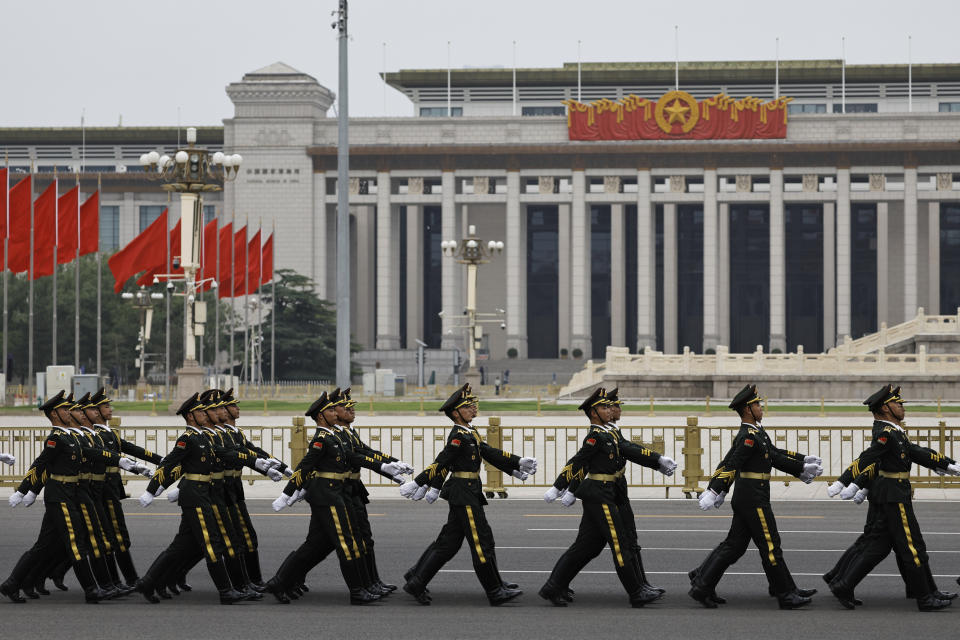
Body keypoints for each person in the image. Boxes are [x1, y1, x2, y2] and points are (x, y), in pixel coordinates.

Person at [399, 383, 537, 606]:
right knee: (481, 541)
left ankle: (416, 578)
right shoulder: (458, 437)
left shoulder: (469, 432)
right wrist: (418, 482)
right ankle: (494, 591)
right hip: (464, 493)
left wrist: (516, 465)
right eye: (469, 406)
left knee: (449, 543)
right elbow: (441, 462)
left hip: (467, 492)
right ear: (456, 412)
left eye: (474, 405)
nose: (474, 409)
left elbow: (489, 453)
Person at [826, 385, 959, 611]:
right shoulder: (886, 433)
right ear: (885, 408)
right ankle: (925, 597)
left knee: (882, 544)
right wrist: (844, 480)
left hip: (892, 492)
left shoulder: (894, 430)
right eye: (897, 403)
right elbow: (867, 458)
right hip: (893, 495)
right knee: (910, 546)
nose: (901, 407)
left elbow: (916, 452)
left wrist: (947, 464)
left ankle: (843, 583)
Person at [688, 384, 822, 609]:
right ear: (748, 410)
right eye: (758, 404)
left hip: (750, 496)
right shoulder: (748, 437)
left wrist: (802, 463)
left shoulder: (756, 433)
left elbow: (775, 454)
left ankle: (702, 582)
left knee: (734, 546)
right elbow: (732, 464)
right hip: (753, 498)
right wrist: (715, 490)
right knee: (770, 544)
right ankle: (785, 594)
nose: (761, 407)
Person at [542, 387, 676, 604]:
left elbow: (628, 448)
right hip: (600, 494)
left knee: (587, 547)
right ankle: (636, 592)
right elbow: (579, 462)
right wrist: (559, 487)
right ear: (594, 413)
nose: (610, 410)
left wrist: (657, 460)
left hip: (607, 492)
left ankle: (553, 586)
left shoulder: (609, 433)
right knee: (619, 542)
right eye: (604, 407)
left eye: (609, 406)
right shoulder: (595, 436)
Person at [135, 393, 270, 605]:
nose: (206, 414)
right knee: (212, 543)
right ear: (191, 416)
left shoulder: (203, 437)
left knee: (181, 546)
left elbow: (225, 453)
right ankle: (226, 591)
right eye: (200, 412)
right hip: (195, 496)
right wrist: (152, 489)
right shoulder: (187, 439)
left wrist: (255, 461)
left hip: (203, 493)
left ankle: (148, 582)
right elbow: (169, 464)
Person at [266, 391, 388, 605]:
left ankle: (280, 581)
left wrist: (385, 466)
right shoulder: (321, 440)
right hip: (328, 495)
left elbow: (355, 456)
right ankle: (358, 591)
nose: (335, 412)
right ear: (321, 416)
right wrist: (287, 493)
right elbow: (305, 468)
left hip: (336, 493)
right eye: (331, 410)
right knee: (345, 542)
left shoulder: (334, 436)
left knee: (317, 546)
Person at [1, 391, 124, 603]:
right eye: (65, 409)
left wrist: (119, 460)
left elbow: (91, 453)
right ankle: (91, 590)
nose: (70, 412)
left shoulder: (70, 436)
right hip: (60, 496)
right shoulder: (56, 439)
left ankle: (11, 583)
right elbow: (40, 465)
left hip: (69, 494)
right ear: (55, 414)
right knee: (76, 543)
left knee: (43, 546)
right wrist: (23, 490)